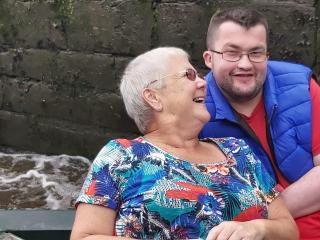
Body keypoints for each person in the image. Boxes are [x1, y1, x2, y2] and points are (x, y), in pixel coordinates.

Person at [70, 47, 297, 240]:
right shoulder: (121, 156)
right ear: (153, 97)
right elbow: (85, 237)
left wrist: (255, 228)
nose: (203, 82)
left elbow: (288, 229)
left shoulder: (238, 151)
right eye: (189, 75)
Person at [200, 7, 320, 240]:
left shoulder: (301, 87)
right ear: (209, 58)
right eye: (231, 53)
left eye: (256, 53)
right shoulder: (195, 110)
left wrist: (267, 217)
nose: (245, 64)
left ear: (267, 55)